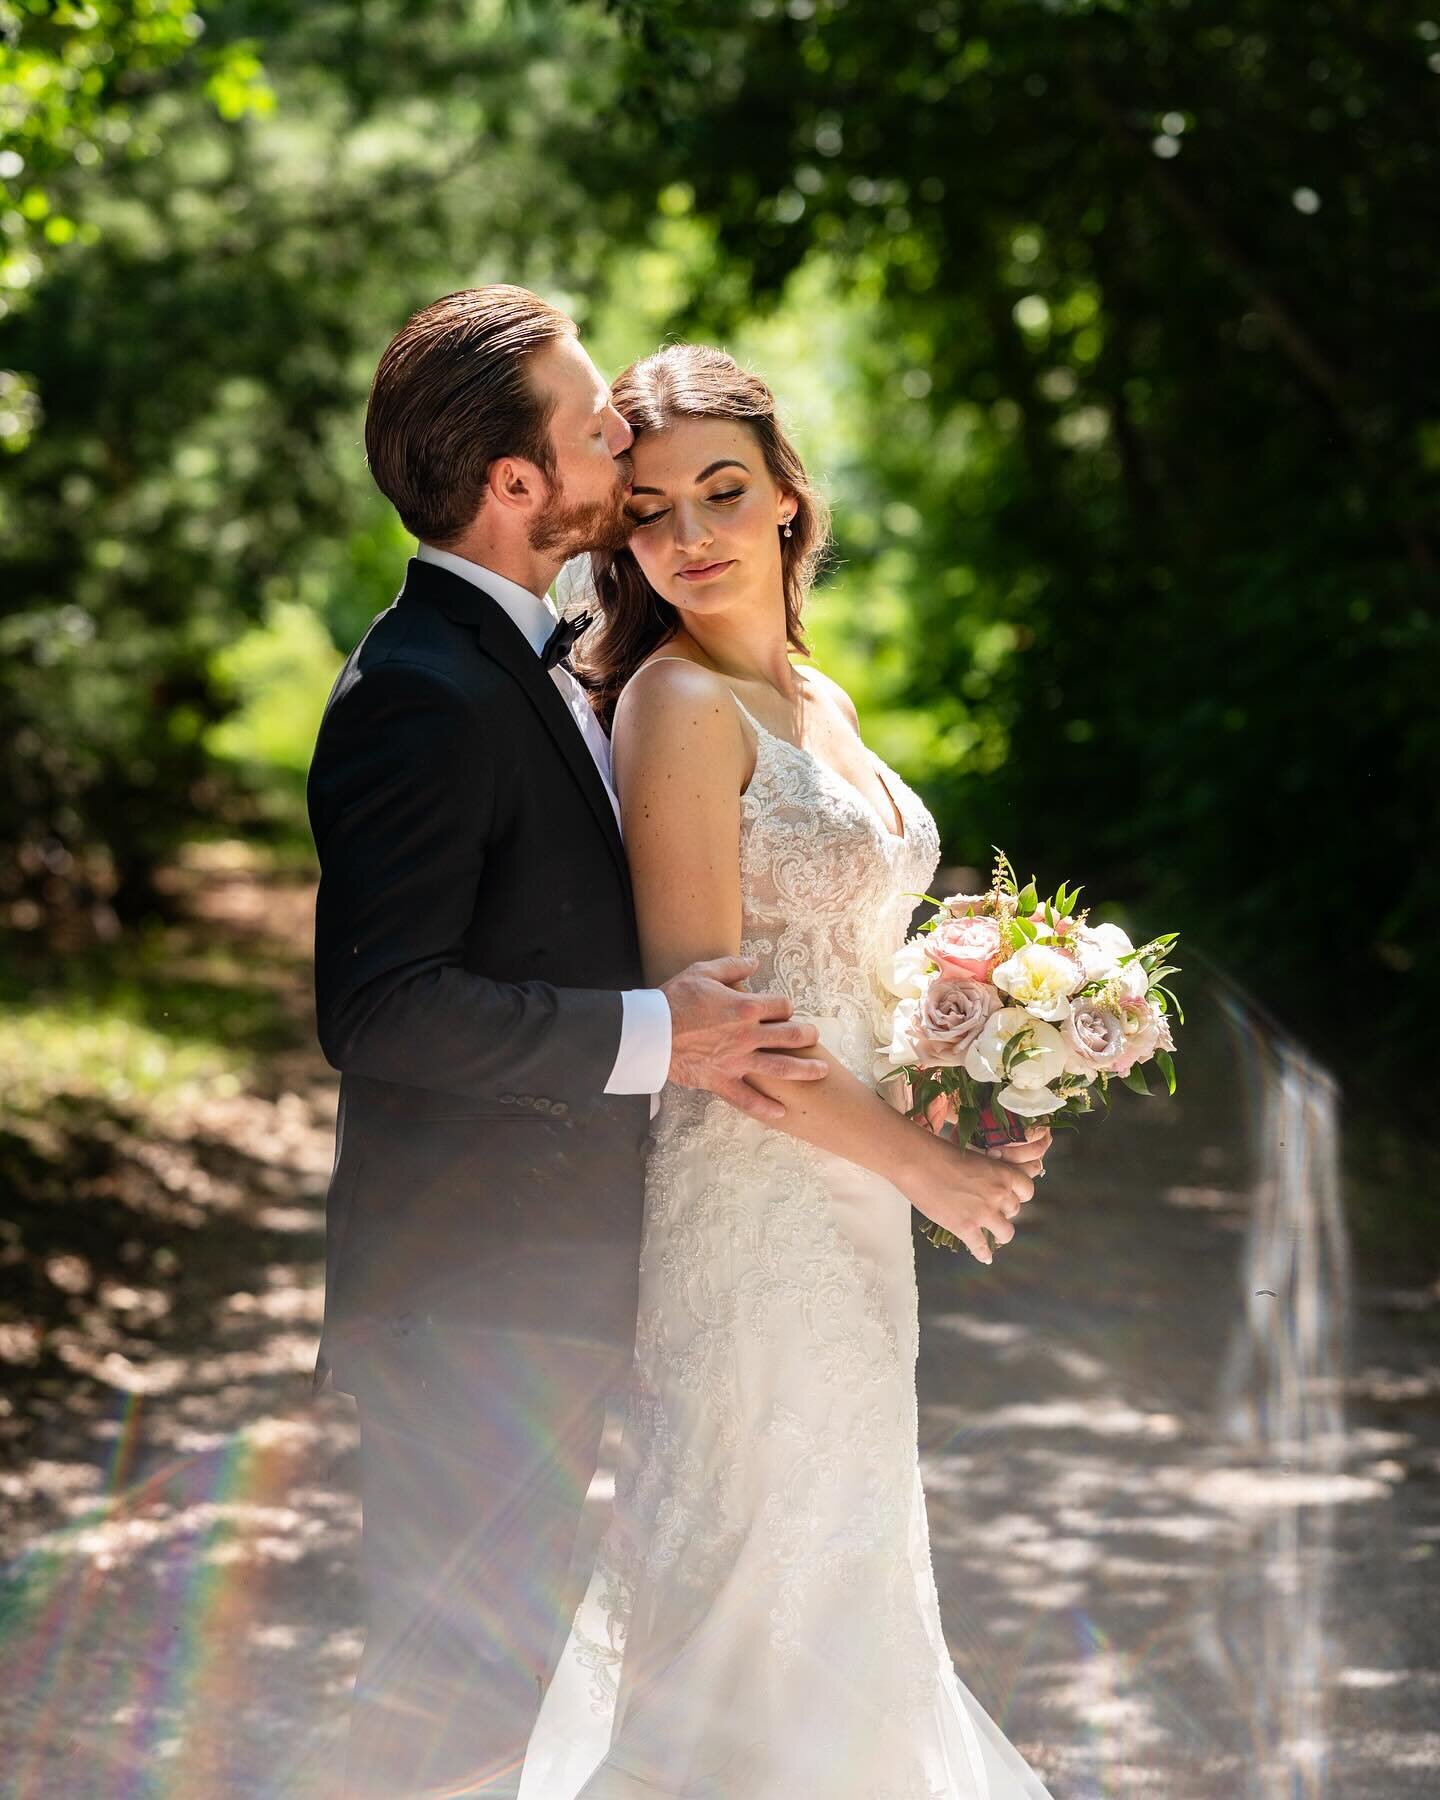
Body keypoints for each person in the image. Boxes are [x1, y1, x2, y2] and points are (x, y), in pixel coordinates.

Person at [307, 287, 839, 1800]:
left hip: (549, 1286)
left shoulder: (547, 661)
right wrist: (652, 1038)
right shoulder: (420, 691)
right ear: (518, 484)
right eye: (592, 417)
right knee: (447, 1709)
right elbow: (382, 1007)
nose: (621, 428)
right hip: (467, 1294)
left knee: (486, 1701)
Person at [520, 345, 1052, 1798]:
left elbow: (859, 963)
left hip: (861, 1195)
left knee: (847, 1555)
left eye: (721, 491)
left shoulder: (819, 701)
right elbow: (722, 1028)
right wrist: (929, 1167)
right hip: (754, 1197)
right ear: (620, 537)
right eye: (648, 510)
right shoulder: (675, 707)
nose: (688, 535)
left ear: (788, 502)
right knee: (759, 1568)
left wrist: (982, 1049)